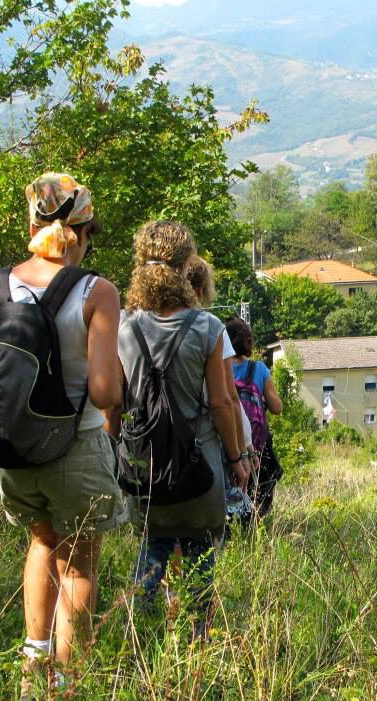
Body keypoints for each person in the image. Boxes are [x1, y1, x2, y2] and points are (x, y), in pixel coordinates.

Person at [0, 173, 125, 700]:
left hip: (9, 451)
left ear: (31, 226)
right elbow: (105, 392)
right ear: (83, 233)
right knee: (80, 559)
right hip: (76, 445)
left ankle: (32, 668)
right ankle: (65, 685)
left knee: (42, 541)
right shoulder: (96, 291)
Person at [112, 221, 248, 632]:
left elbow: (115, 401)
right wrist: (237, 458)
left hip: (144, 464)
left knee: (154, 542)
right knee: (201, 548)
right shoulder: (207, 328)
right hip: (198, 463)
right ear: (187, 265)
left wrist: (113, 458)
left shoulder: (124, 326)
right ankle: (197, 637)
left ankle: (139, 634)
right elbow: (222, 402)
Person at [225, 315, 283, 517]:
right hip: (257, 446)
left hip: (227, 444)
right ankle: (256, 522)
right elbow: (277, 408)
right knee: (261, 488)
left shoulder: (219, 369)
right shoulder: (259, 369)